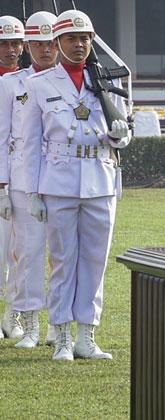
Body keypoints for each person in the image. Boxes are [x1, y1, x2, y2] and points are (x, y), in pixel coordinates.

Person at [21, 9, 131, 361]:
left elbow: (125, 132)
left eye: (85, 38)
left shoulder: (109, 81)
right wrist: (32, 193)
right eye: (71, 38)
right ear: (57, 43)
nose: (79, 44)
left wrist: (120, 136)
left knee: (95, 261)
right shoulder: (39, 85)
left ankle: (88, 336)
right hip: (59, 181)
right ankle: (63, 336)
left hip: (100, 177)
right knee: (64, 260)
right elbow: (29, 144)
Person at [0, 11, 59, 348]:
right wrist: (2, 187)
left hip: (62, 178)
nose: (46, 50)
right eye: (39, 43)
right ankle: (30, 323)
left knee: (61, 256)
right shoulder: (11, 84)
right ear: (29, 46)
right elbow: (2, 136)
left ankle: (57, 324)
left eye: (51, 43)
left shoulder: (67, 82)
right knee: (28, 253)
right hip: (23, 180)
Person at [0, 15, 26, 340]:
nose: (10, 49)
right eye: (3, 43)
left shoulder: (29, 81)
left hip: (21, 177)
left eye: (15, 43)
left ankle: (13, 315)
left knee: (21, 252)